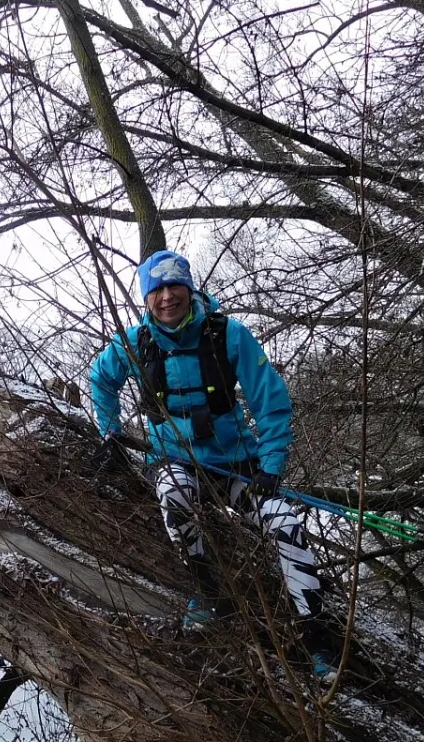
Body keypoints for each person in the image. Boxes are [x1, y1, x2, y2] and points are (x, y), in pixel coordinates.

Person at [88, 250, 337, 682]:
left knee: (284, 523)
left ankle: (316, 635)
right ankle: (206, 594)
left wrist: (271, 465)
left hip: (236, 466)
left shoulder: (229, 334)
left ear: (189, 289)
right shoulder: (135, 343)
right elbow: (101, 379)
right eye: (157, 289)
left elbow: (271, 402)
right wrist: (110, 432)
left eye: (175, 286)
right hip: (175, 462)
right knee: (174, 493)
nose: (167, 296)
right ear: (146, 298)